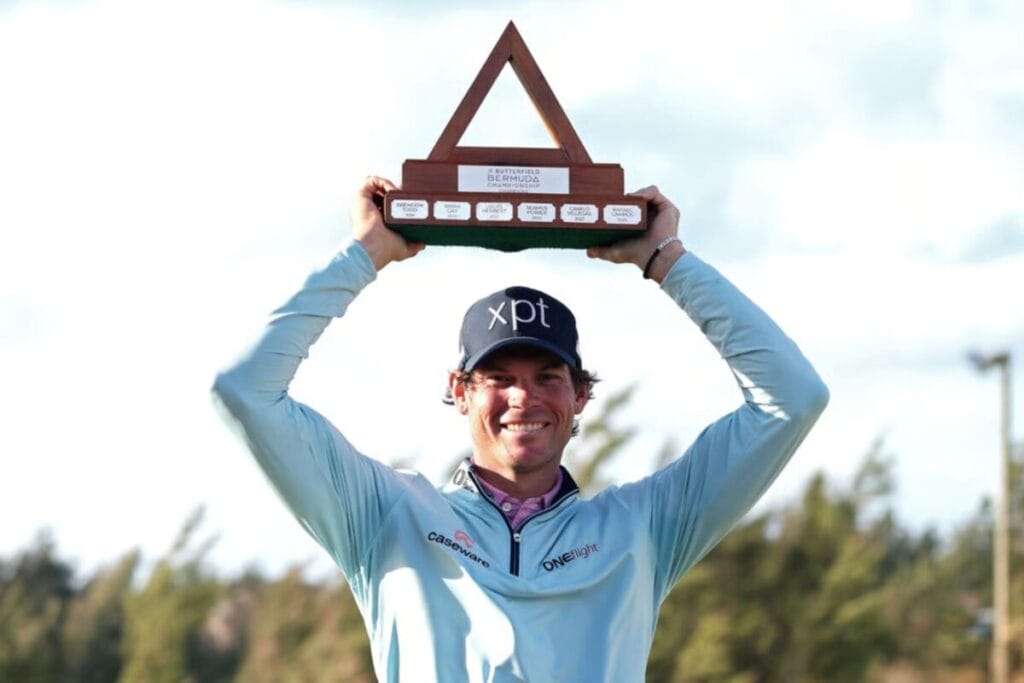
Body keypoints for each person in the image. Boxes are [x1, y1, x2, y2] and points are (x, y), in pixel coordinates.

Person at [212, 176, 829, 682]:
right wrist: (366, 254)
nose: (522, 397)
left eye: (547, 376)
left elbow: (793, 397)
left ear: (581, 395)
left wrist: (666, 261)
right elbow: (244, 391)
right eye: (496, 376)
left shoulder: (643, 526)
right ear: (459, 391)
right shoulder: (384, 515)